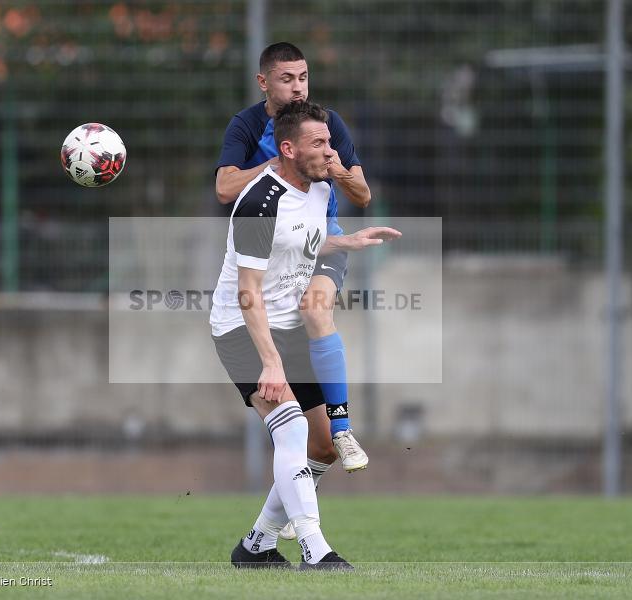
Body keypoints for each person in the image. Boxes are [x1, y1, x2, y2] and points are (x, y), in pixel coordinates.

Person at [211, 101, 400, 569]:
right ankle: (318, 552)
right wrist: (272, 363)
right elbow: (247, 294)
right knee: (292, 428)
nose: (331, 151)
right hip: (243, 330)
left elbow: (301, 240)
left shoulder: (318, 189)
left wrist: (346, 242)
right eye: (320, 143)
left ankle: (255, 545)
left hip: (288, 330)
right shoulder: (258, 202)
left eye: (330, 141)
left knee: (322, 447)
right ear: (289, 149)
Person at [216, 42, 371, 475]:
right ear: (264, 82)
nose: (298, 88)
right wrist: (281, 165)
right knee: (309, 442)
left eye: (303, 77)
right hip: (278, 251)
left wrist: (335, 167)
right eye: (287, 79)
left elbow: (362, 194)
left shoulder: (327, 124)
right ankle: (276, 520)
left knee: (315, 308)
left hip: (323, 242)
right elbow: (225, 188)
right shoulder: (246, 126)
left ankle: (343, 426)